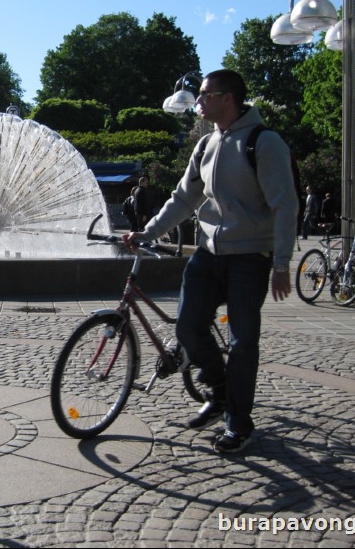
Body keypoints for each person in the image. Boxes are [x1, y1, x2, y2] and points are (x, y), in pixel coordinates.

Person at [124, 70, 298, 454]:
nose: (198, 103)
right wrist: (147, 233)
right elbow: (183, 198)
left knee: (243, 343)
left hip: (250, 257)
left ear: (228, 98)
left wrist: (282, 263)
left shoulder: (264, 143)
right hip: (208, 253)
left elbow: (286, 205)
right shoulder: (205, 144)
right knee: (187, 328)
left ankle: (239, 422)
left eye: (205, 96)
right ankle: (219, 392)